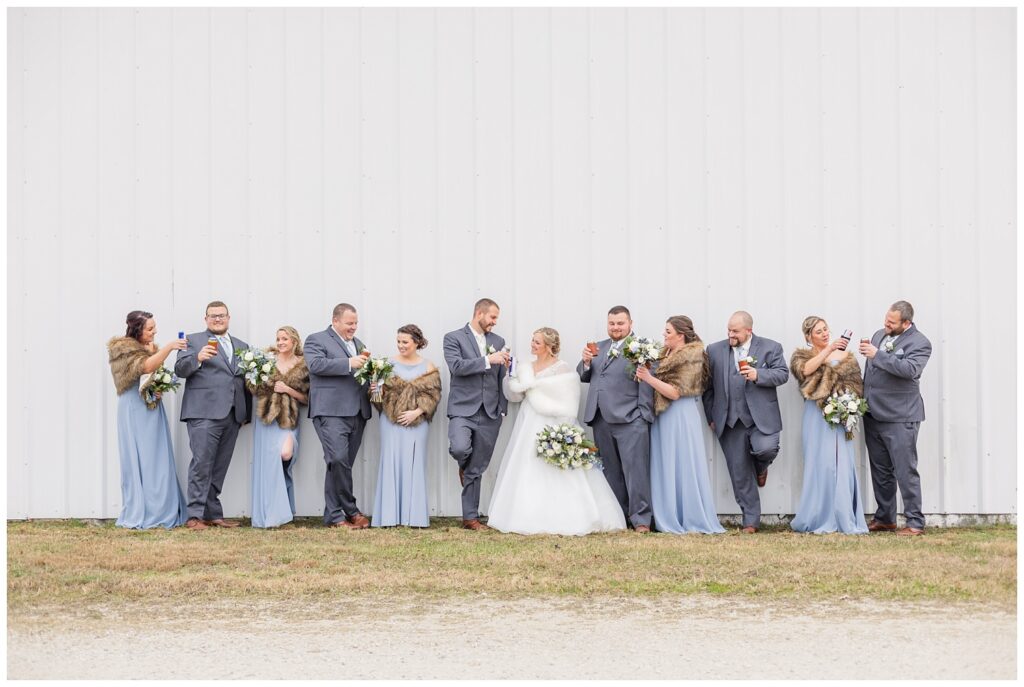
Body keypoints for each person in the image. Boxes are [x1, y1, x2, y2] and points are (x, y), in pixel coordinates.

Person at [488, 328, 626, 535]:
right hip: (529, 423)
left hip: (554, 424)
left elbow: (568, 401)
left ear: (549, 346)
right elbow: (514, 396)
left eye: (537, 342)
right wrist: (510, 375)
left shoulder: (562, 369)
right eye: (532, 340)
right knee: (527, 466)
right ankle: (527, 515)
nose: (532, 345)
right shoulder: (526, 367)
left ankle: (569, 515)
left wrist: (565, 432)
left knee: (559, 469)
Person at [702, 311, 789, 533]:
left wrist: (758, 375)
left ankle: (761, 468)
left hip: (761, 418)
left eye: (735, 331)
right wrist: (712, 416)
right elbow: (707, 387)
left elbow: (782, 374)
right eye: (729, 330)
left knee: (766, 449)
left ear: (748, 331)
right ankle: (751, 521)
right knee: (739, 473)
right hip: (729, 420)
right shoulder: (714, 350)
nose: (730, 334)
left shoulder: (771, 347)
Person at [636, 316, 724, 534]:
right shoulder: (665, 353)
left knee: (683, 463)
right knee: (665, 463)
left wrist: (648, 378)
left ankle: (689, 516)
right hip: (663, 416)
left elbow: (675, 392)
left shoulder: (691, 356)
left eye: (668, 331)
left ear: (680, 335)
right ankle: (667, 514)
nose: (664, 334)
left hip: (680, 415)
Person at [106, 310, 188, 529]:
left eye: (155, 327)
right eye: (150, 328)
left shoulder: (151, 348)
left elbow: (153, 375)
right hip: (133, 408)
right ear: (137, 329)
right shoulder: (121, 349)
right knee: (139, 458)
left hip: (151, 406)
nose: (155, 331)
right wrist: (170, 347)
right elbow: (145, 367)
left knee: (157, 456)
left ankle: (162, 507)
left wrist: (157, 389)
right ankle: (142, 510)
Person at [175, 301, 252, 530]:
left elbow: (244, 381)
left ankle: (212, 513)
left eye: (221, 315)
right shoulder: (192, 340)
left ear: (228, 318)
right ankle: (194, 516)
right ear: (205, 319)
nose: (217, 319)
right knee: (202, 463)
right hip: (203, 413)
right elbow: (180, 369)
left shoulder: (241, 345)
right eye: (213, 316)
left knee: (220, 466)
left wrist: (245, 412)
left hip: (232, 414)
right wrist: (197, 358)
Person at [577, 305, 655, 532]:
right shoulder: (598, 347)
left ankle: (641, 520)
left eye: (620, 323)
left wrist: (642, 414)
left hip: (631, 418)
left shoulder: (641, 347)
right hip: (601, 418)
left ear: (630, 323)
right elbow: (584, 376)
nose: (616, 327)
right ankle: (619, 516)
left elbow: (648, 382)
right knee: (610, 470)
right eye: (612, 323)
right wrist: (587, 362)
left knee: (636, 471)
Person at [788, 317, 868, 534]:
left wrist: (847, 404)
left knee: (841, 464)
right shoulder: (801, 356)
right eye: (818, 332)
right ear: (808, 337)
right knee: (820, 464)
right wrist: (828, 350)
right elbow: (805, 371)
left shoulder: (846, 357)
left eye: (826, 329)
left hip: (839, 416)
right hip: (815, 416)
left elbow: (855, 384)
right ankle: (817, 516)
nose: (824, 334)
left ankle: (843, 515)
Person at [859, 300, 932, 536]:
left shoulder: (920, 343)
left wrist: (877, 355)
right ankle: (885, 518)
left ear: (906, 323)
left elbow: (910, 370)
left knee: (905, 470)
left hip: (901, 416)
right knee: (881, 470)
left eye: (891, 322)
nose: (885, 324)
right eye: (885, 319)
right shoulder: (879, 334)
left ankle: (915, 522)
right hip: (873, 414)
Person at [305, 303, 373, 529]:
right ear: (335, 321)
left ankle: (334, 516)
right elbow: (315, 365)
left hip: (357, 411)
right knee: (337, 460)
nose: (354, 327)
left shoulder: (358, 344)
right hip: (330, 411)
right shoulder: (316, 339)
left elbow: (360, 374)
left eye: (356, 323)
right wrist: (348, 363)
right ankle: (350, 511)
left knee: (341, 465)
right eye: (349, 323)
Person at [443, 298, 509, 531]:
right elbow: (457, 367)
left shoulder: (498, 341)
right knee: (460, 448)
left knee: (477, 467)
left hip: (490, 411)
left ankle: (470, 518)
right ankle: (464, 465)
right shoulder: (453, 338)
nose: (494, 322)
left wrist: (502, 408)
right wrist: (487, 360)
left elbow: (501, 376)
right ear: (479, 313)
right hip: (463, 409)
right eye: (492, 317)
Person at [370, 324, 442, 528]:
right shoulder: (386, 364)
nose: (401, 346)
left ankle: (415, 517)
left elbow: (434, 395)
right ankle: (388, 516)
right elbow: (377, 399)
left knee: (414, 463)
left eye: (405, 342)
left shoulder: (428, 366)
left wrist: (417, 412)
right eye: (398, 342)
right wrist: (375, 390)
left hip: (417, 423)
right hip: (391, 421)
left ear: (417, 343)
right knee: (390, 462)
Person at [249, 326, 309, 529]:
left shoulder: (303, 365)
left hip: (288, 420)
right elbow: (252, 387)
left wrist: (288, 390)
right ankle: (275, 515)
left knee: (285, 455)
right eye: (278, 339)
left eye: (285, 339)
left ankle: (282, 510)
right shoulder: (266, 360)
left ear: (294, 341)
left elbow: (306, 398)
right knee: (269, 467)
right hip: (266, 419)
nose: (281, 342)